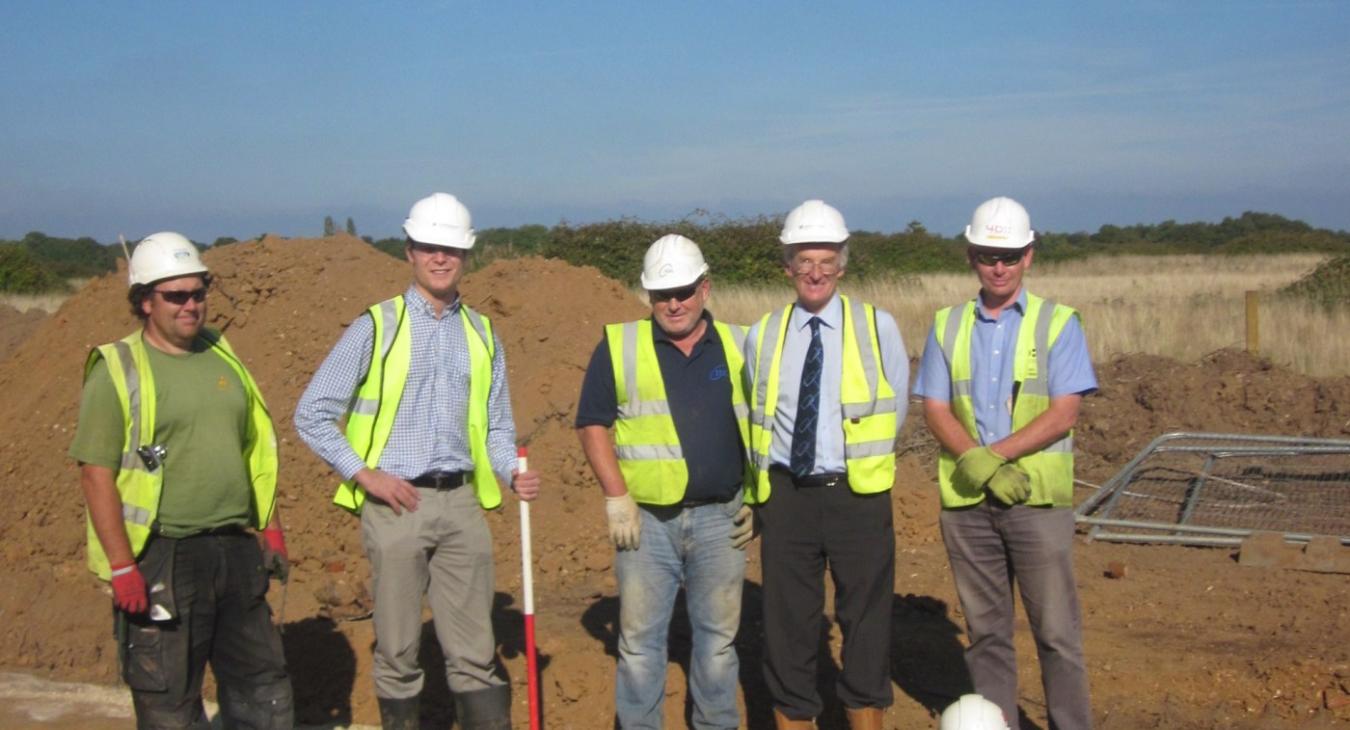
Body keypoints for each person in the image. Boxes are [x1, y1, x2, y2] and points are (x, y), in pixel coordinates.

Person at [295, 193, 541, 730]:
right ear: (408, 251)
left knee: (477, 653)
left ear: (466, 256)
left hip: (461, 505)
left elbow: (497, 424)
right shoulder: (376, 326)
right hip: (396, 505)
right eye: (429, 247)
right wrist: (364, 474)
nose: (440, 257)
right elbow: (311, 413)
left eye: (451, 248)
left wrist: (510, 471)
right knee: (400, 651)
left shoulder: (481, 333)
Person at [70, 231, 294, 728]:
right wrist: (123, 565)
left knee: (264, 689)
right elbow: (96, 474)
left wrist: (270, 526)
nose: (190, 305)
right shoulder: (117, 370)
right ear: (145, 301)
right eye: (176, 296)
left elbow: (253, 450)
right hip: (164, 557)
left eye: (198, 293)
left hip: (235, 551)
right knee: (169, 699)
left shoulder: (222, 355)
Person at [913, 197, 1096, 729]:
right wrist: (980, 463)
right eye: (989, 255)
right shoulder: (947, 326)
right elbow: (935, 406)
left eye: (1010, 256)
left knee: (1057, 635)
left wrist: (995, 456)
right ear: (971, 254)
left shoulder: (1058, 324)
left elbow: (1065, 412)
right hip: (969, 508)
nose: (999, 266)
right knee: (987, 635)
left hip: (1037, 506)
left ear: (1029, 256)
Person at [575, 234, 755, 729]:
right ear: (648, 296)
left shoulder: (743, 345)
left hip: (723, 519)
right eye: (661, 294)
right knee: (638, 645)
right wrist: (616, 496)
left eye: (683, 291)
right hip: (647, 523)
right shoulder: (620, 345)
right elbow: (592, 423)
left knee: (717, 645)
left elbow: (763, 426)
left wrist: (759, 495)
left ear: (705, 289)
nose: (673, 303)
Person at [744, 200, 908, 730]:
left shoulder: (877, 326)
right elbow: (754, 412)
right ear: (787, 266)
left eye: (825, 260)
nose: (814, 272)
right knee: (788, 626)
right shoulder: (763, 334)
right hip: (787, 497)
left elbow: (896, 409)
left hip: (857, 496)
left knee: (865, 623)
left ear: (842, 264)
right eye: (803, 260)